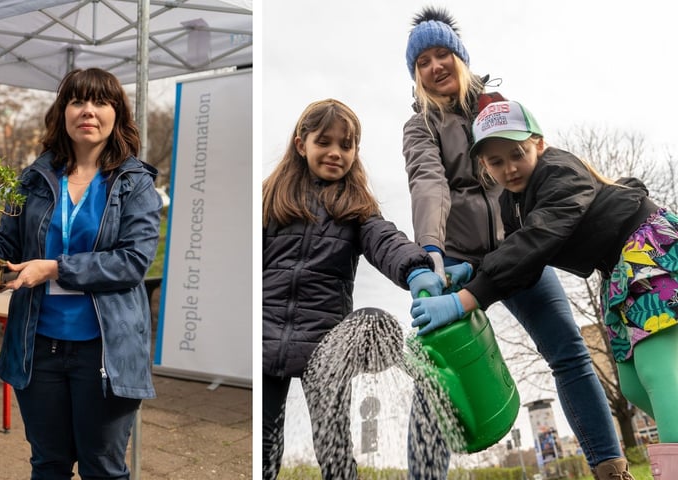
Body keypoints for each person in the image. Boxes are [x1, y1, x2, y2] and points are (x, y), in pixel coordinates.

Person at [401, 7, 635, 480]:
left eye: (442, 54)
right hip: (456, 261)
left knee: (569, 351)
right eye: (422, 61)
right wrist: (431, 252)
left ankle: (611, 470)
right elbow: (429, 183)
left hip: (521, 246)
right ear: (416, 74)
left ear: (461, 58)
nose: (434, 66)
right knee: (436, 370)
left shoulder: (497, 108)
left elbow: (534, 177)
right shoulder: (419, 126)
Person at [412, 99, 678, 479]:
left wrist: (465, 300)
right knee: (635, 387)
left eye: (517, 153)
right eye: (496, 161)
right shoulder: (512, 203)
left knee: (657, 374)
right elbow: (520, 260)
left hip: (648, 252)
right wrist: (470, 273)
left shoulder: (559, 172)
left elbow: (537, 239)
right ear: (484, 165)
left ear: (538, 143)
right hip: (617, 272)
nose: (509, 168)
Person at [0, 67, 162, 480]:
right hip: (40, 347)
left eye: (100, 101)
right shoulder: (33, 179)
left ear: (117, 113)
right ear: (63, 111)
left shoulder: (133, 183)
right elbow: (4, 249)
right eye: (77, 100)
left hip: (104, 352)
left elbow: (133, 261)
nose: (88, 111)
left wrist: (54, 269)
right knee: (48, 465)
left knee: (102, 468)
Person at [262, 98, 444, 480]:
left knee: (334, 448)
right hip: (263, 338)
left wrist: (415, 269)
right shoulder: (270, 199)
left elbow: (386, 241)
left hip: (327, 350)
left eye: (346, 145)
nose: (335, 153)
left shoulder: (356, 208)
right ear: (301, 144)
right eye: (324, 142)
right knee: (264, 448)